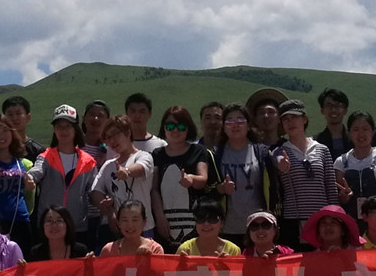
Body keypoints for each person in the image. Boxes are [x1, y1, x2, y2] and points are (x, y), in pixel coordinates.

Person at [212, 103, 281, 246]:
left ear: (249, 125)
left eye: (240, 120)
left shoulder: (262, 153)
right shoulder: (216, 155)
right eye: (230, 121)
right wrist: (220, 189)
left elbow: (274, 188)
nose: (235, 124)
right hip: (226, 227)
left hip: (258, 227)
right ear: (224, 127)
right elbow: (208, 189)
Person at [273, 98, 339, 241]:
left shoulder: (322, 149)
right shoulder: (279, 151)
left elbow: (330, 187)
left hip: (322, 218)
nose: (290, 122)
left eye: (294, 118)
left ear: (304, 119)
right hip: (293, 219)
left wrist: (334, 216)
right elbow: (278, 163)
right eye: (286, 120)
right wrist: (281, 165)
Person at [150, 106, 213, 250]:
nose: (175, 130)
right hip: (165, 221)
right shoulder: (157, 154)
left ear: (188, 128)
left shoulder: (199, 151)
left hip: (194, 221)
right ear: (164, 128)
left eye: (181, 126)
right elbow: (154, 189)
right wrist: (159, 217)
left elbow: (203, 179)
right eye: (170, 125)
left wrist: (191, 179)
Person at [31, 105, 98, 240]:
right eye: (59, 126)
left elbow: (94, 191)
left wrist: (103, 202)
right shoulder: (46, 156)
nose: (63, 130)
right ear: (54, 130)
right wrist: (29, 178)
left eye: (67, 126)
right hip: (48, 227)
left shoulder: (88, 161)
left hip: (77, 228)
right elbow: (36, 171)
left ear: (75, 129)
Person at [89, 119, 155, 248]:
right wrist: (109, 211)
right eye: (108, 137)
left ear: (128, 133)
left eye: (116, 134)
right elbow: (95, 192)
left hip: (143, 228)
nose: (112, 140)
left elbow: (141, 169)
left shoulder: (144, 156)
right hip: (117, 230)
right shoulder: (108, 165)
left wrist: (127, 171)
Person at [0, 114, 37, 251]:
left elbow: (28, 193)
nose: (1, 136)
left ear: (12, 133)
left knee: (22, 264)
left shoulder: (25, 164)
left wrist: (30, 187)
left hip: (21, 220)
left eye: (5, 130)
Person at [333, 110, 376, 218]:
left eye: (365, 129)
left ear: (372, 131)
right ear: (349, 132)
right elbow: (341, 199)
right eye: (356, 129)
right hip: (352, 220)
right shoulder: (341, 162)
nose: (361, 134)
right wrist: (344, 196)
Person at [27, 204, 92, 261]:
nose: (54, 225)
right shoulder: (36, 252)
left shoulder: (81, 251)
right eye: (49, 221)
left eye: (59, 220)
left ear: (68, 224)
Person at [122, 92, 166, 157]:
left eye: (142, 112)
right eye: (133, 111)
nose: (137, 116)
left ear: (150, 114)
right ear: (126, 114)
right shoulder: (117, 145)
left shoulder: (160, 145)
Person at [314, 87, 352, 157]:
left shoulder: (355, 140)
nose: (333, 110)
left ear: (345, 110)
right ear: (322, 111)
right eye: (329, 105)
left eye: (338, 105)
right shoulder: (315, 143)